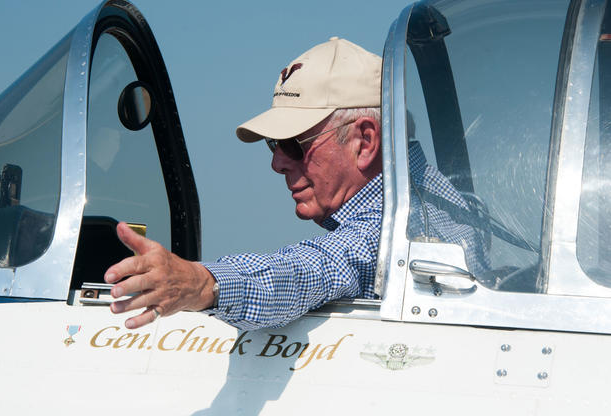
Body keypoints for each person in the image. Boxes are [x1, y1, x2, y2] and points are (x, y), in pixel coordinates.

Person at [104, 37, 490, 330]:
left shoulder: (392, 229)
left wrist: (202, 283)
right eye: (274, 144)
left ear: (366, 141)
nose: (276, 162)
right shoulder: (453, 202)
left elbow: (311, 268)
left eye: (292, 144)